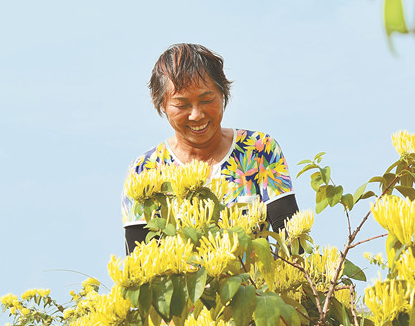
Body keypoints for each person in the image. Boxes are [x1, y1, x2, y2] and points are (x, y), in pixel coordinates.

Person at [122, 43, 298, 254]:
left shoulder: (260, 150)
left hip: (253, 287)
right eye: (182, 104)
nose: (197, 114)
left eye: (207, 100)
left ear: (223, 94)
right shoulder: (145, 170)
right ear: (161, 104)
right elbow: (139, 259)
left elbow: (292, 242)